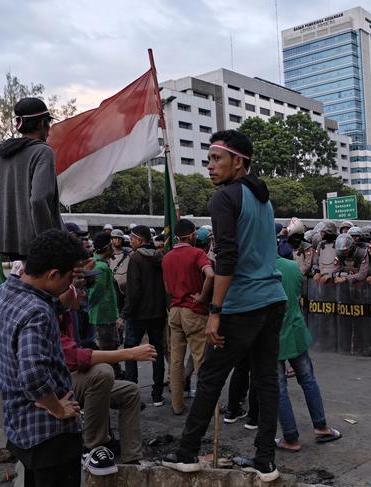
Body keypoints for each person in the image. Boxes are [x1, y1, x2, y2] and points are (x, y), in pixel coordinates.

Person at [163, 130, 287, 482]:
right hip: (273, 299)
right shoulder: (263, 198)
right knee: (266, 381)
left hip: (244, 304)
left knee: (210, 379)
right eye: (208, 159)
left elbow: (227, 258)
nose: (210, 166)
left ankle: (187, 453)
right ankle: (266, 462)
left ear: (239, 161)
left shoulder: (225, 198)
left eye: (217, 158)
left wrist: (215, 312)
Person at [0, 229, 89, 487]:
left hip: (20, 426)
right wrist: (57, 407)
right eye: (67, 277)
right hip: (50, 434)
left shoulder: (4, 293)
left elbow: (51, 304)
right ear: (53, 274)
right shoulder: (37, 312)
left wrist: (70, 291)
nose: (70, 282)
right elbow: (33, 376)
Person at [60, 314, 155, 475]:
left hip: (73, 377)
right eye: (79, 290)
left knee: (130, 391)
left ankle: (131, 458)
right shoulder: (47, 312)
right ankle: (93, 448)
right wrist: (130, 353)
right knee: (102, 373)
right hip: (58, 386)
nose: (82, 294)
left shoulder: (69, 315)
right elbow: (74, 357)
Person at [0, 98, 64, 260]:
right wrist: (47, 242)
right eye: (48, 123)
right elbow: (38, 200)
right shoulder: (42, 152)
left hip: (9, 244)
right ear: (40, 124)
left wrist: (5, 230)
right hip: (40, 247)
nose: (49, 129)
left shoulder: (1, 154)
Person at [274, 253, 341, 452]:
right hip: (295, 332)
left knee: (279, 388)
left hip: (271, 337)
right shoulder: (293, 267)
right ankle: (322, 427)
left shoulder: (257, 270)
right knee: (308, 380)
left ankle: (291, 438)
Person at [161, 219, 214, 416]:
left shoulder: (167, 257)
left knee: (176, 361)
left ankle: (177, 404)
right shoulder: (197, 253)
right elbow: (210, 274)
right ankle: (204, 407)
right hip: (194, 310)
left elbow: (167, 287)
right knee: (201, 360)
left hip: (174, 311)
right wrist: (201, 296)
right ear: (192, 235)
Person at [120, 225, 167, 407]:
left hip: (138, 314)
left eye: (132, 239)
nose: (130, 242)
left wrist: (124, 314)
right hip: (157, 312)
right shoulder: (161, 257)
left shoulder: (136, 258)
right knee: (157, 352)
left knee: (131, 351)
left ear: (140, 240)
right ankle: (157, 395)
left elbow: (134, 291)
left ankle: (131, 393)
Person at [87, 232, 123, 378]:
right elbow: (96, 292)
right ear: (106, 248)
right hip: (103, 316)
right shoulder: (101, 267)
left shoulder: (97, 263)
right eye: (111, 246)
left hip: (104, 315)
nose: (113, 249)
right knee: (108, 352)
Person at [108, 229, 130, 311]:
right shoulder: (107, 255)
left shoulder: (128, 255)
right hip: (112, 287)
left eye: (119, 238)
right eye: (115, 238)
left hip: (126, 288)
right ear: (111, 239)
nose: (117, 240)